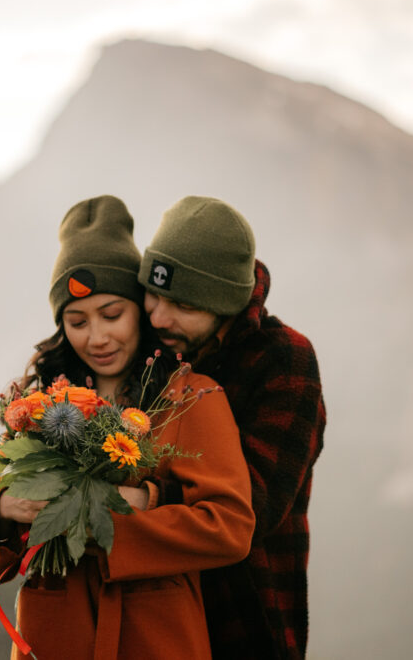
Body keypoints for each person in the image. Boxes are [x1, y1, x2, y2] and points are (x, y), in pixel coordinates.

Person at [0, 195, 256, 659]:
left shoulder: (190, 397)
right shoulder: (39, 404)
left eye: (113, 315)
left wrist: (120, 511)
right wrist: (4, 508)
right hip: (52, 638)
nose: (97, 337)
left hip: (156, 639)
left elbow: (230, 527)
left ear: (140, 308)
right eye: (77, 321)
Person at [137, 195, 327, 660]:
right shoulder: (155, 344)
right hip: (148, 621)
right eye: (152, 293)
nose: (158, 316)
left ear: (225, 303)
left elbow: (252, 508)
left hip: (241, 622)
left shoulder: (284, 361)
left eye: (181, 304)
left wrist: (143, 499)